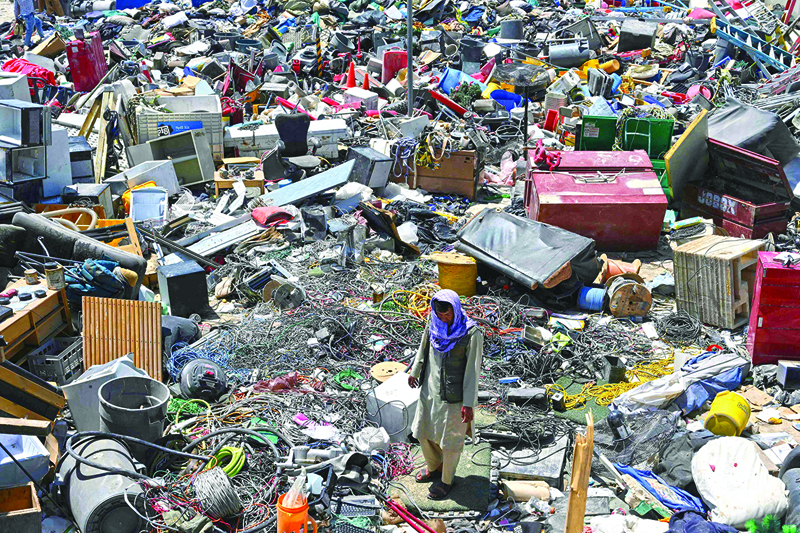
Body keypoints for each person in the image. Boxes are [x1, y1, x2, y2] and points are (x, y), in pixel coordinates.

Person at [408, 289, 484, 500]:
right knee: (424, 430)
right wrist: (415, 371)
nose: (443, 318)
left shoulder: (470, 333)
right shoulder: (433, 323)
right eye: (440, 314)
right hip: (430, 389)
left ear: (456, 309)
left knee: (450, 440)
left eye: (447, 314)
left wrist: (468, 403)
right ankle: (435, 467)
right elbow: (423, 347)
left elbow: (473, 370)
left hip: (455, 396)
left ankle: (447, 480)